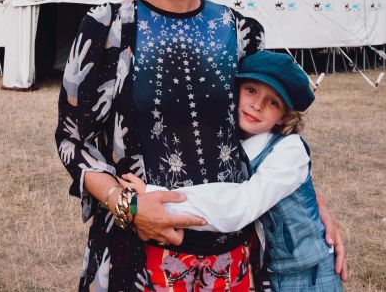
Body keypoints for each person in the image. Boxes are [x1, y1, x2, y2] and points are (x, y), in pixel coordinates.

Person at [56, 0, 344, 291]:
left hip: (235, 258)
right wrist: (129, 207)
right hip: (139, 256)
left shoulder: (242, 32)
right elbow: (72, 139)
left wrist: (315, 208)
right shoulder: (106, 29)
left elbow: (272, 133)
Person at [121, 51, 344, 291]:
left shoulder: (290, 150)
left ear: (283, 117)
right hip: (268, 270)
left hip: (307, 274)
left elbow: (239, 205)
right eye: (251, 90)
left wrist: (156, 198)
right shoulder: (231, 145)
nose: (257, 105)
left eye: (273, 102)